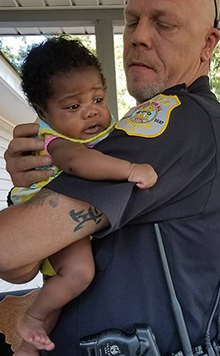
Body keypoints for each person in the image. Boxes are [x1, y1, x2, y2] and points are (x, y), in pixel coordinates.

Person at [0, 0, 220, 356]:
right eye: (133, 20)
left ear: (207, 44)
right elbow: (19, 265)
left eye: (164, 23)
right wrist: (28, 188)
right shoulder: (122, 134)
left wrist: (28, 211)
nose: (138, 36)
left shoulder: (176, 121)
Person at [8, 37, 158, 351]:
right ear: (43, 112)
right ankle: (32, 318)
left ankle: (28, 345)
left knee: (61, 290)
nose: (91, 113)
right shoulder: (52, 141)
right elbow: (79, 163)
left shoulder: (100, 131)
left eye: (98, 99)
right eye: (74, 106)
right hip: (47, 216)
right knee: (78, 273)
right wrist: (130, 168)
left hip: (69, 221)